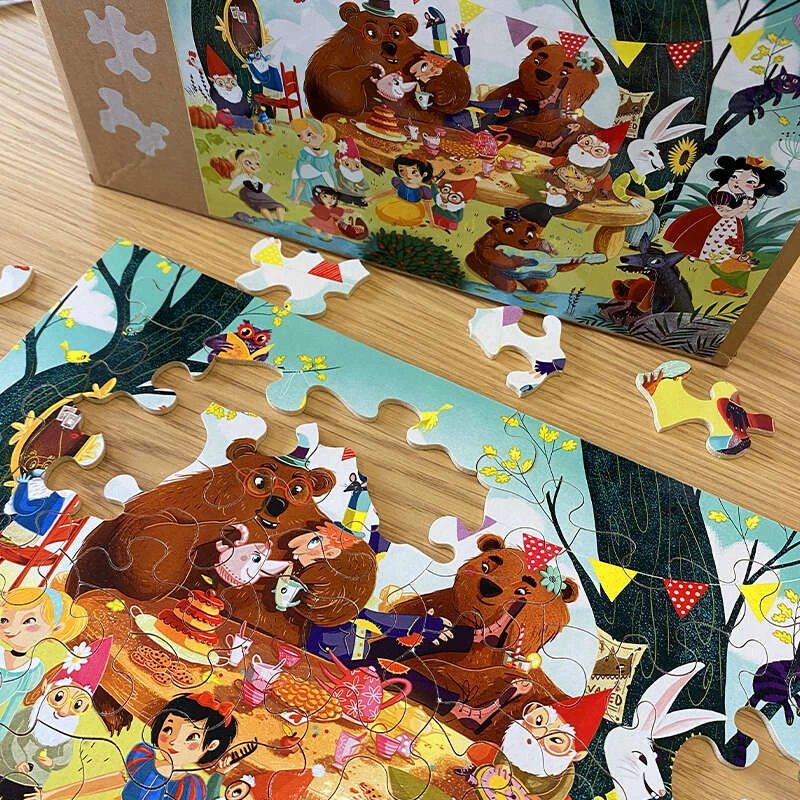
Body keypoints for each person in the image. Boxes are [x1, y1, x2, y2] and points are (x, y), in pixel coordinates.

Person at [0, 638, 113, 800]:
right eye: (59, 697)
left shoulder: (66, 731)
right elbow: (9, 740)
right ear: (46, 688)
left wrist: (53, 763)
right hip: (4, 770)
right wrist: (19, 761)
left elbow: (64, 756)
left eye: (77, 705)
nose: (64, 711)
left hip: (32, 782)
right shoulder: (28, 715)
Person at [0, 584, 88, 741]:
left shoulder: (32, 670)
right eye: (4, 620)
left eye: (29, 621)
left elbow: (10, 711)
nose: (10, 628)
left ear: (55, 629)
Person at [663, 155, 786, 261]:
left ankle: (710, 258)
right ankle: (691, 254)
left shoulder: (749, 198)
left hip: (731, 225)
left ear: (760, 186)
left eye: (750, 181)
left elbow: (741, 215)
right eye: (735, 176)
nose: (738, 182)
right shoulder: (723, 193)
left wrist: (742, 208)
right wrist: (742, 207)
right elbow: (724, 213)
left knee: (723, 244)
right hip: (711, 219)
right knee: (699, 237)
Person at [122, 692, 238, 800]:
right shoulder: (142, 758)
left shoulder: (191, 786)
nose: (174, 740)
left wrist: (219, 774)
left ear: (212, 746)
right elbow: (118, 780)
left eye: (191, 737)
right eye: (168, 729)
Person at [223, 149, 286, 223]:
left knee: (280, 207)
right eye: (248, 163)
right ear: (241, 165)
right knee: (263, 208)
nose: (253, 166)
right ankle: (272, 222)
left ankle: (281, 223)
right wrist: (228, 189)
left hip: (262, 196)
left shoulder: (258, 180)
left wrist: (269, 184)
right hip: (250, 195)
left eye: (257, 163)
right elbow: (236, 183)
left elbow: (262, 191)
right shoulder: (243, 177)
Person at [370, 155, 435, 226]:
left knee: (407, 219)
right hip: (397, 204)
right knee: (384, 211)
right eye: (402, 170)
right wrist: (372, 197)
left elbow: (427, 206)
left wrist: (432, 221)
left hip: (412, 209)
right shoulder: (399, 184)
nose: (408, 175)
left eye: (413, 172)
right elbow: (388, 192)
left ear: (424, 174)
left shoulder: (423, 190)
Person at [288, 118, 337, 206]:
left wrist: (335, 184)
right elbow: (299, 164)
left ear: (323, 135)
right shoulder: (307, 152)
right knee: (303, 184)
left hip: (322, 176)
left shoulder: (328, 154)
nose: (305, 139)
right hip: (310, 173)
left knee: (327, 191)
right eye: (299, 136)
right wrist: (300, 176)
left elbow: (332, 169)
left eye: (309, 134)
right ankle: (296, 198)